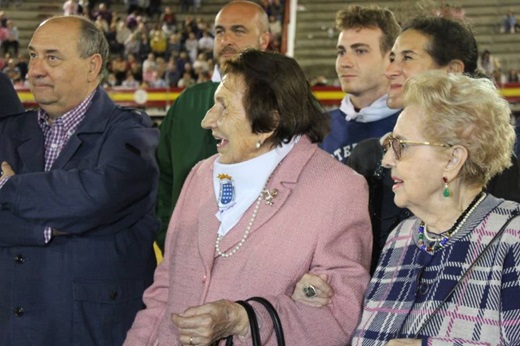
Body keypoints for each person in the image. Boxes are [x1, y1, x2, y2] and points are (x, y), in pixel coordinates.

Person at [124, 49, 372, 346]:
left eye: (223, 107)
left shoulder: (337, 188)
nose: (207, 120)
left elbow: (337, 317)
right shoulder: (202, 175)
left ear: (269, 122)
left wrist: (245, 319)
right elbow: (164, 289)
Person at [0, 15, 159, 345]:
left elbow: (99, 197)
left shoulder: (132, 132)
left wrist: (9, 188)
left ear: (92, 66)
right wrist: (57, 225)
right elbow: (85, 206)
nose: (36, 69)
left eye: (52, 57)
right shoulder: (9, 132)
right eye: (32, 55)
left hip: (93, 331)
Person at [353, 71, 520, 345]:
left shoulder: (513, 237)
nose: (386, 160)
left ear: (453, 159)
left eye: (401, 146)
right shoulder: (400, 237)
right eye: (389, 145)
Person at [348, 16, 520, 272]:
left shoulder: (502, 179)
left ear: (452, 71)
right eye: (392, 58)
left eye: (407, 57)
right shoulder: (366, 157)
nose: (390, 70)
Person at [155, 0, 270, 251]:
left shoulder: (284, 100)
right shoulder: (187, 102)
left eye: (238, 31)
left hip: (262, 259)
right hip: (186, 253)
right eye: (219, 31)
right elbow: (161, 178)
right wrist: (167, 235)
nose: (226, 39)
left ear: (264, 40)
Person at [319, 5, 401, 164]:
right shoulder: (316, 129)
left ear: (391, 58)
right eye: (341, 52)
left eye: (360, 51)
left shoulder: (415, 127)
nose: (344, 62)